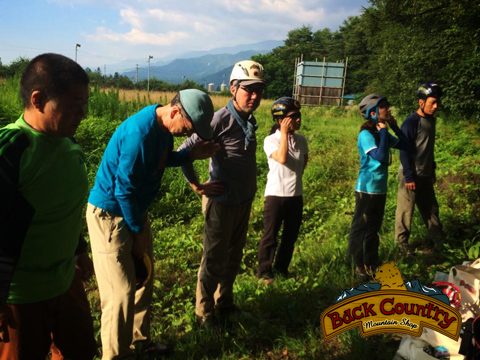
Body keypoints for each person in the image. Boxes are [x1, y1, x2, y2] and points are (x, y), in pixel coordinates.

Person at [86, 89, 219, 359]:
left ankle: (140, 341)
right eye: (188, 128)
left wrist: (189, 155)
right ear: (175, 112)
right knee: (119, 293)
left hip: (134, 211)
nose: (187, 134)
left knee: (143, 277)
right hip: (111, 216)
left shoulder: (163, 130)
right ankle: (114, 356)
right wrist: (137, 232)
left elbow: (160, 159)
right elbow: (123, 189)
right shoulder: (140, 134)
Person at [0, 53, 97, 360]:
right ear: (38, 99)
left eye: (85, 103)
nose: (82, 113)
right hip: (21, 296)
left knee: (80, 351)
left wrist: (78, 250)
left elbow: (62, 208)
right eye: (73, 104)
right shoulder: (12, 149)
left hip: (65, 282)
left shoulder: (69, 146)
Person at [178, 60, 266, 327]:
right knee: (214, 258)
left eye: (258, 90)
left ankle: (224, 302)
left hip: (243, 201)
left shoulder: (249, 121)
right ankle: (204, 312)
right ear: (233, 88)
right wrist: (196, 185)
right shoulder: (219, 119)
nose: (254, 96)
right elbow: (184, 151)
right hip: (221, 202)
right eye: (248, 89)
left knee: (234, 257)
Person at [348, 94, 407, 276]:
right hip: (366, 188)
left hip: (379, 188)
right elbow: (380, 157)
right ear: (373, 112)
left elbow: (405, 144)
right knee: (361, 227)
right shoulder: (366, 135)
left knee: (374, 228)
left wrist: (394, 126)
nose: (388, 109)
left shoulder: (380, 133)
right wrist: (383, 133)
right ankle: (356, 264)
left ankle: (371, 264)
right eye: (384, 107)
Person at [257, 97, 308, 284]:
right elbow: (283, 158)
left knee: (290, 236)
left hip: (296, 195)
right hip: (276, 196)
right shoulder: (270, 140)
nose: (298, 120)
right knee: (270, 236)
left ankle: (281, 269)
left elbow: (303, 162)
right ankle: (264, 273)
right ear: (281, 120)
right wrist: (284, 133)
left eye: (299, 115)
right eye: (293, 117)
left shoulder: (301, 140)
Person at [395, 82, 444, 253]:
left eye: (437, 102)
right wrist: (409, 177)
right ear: (421, 102)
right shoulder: (411, 122)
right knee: (405, 211)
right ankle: (402, 246)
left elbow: (428, 148)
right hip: (410, 174)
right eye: (432, 103)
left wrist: (432, 169)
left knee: (431, 209)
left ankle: (438, 242)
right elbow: (404, 151)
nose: (436, 106)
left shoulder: (431, 120)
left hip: (425, 173)